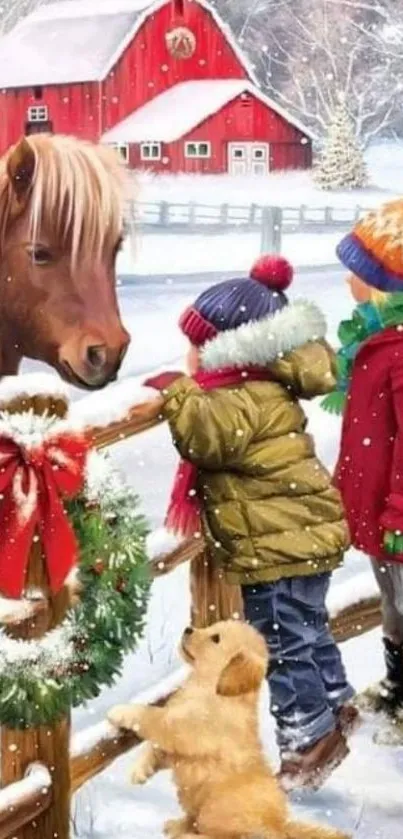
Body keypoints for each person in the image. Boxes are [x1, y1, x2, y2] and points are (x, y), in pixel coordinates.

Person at [144, 255, 355, 790]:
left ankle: (309, 743)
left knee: (284, 645)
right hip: (298, 536)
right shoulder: (265, 384)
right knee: (308, 631)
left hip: (277, 547)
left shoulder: (239, 396)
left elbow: (205, 437)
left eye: (196, 345)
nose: (188, 356)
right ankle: (336, 708)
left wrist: (177, 391)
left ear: (226, 347)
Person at [324, 200, 403, 720]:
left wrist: (398, 511)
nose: (349, 282)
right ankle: (399, 687)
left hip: (397, 516)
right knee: (392, 606)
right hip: (380, 511)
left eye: (358, 273)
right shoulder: (376, 342)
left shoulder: (398, 351)